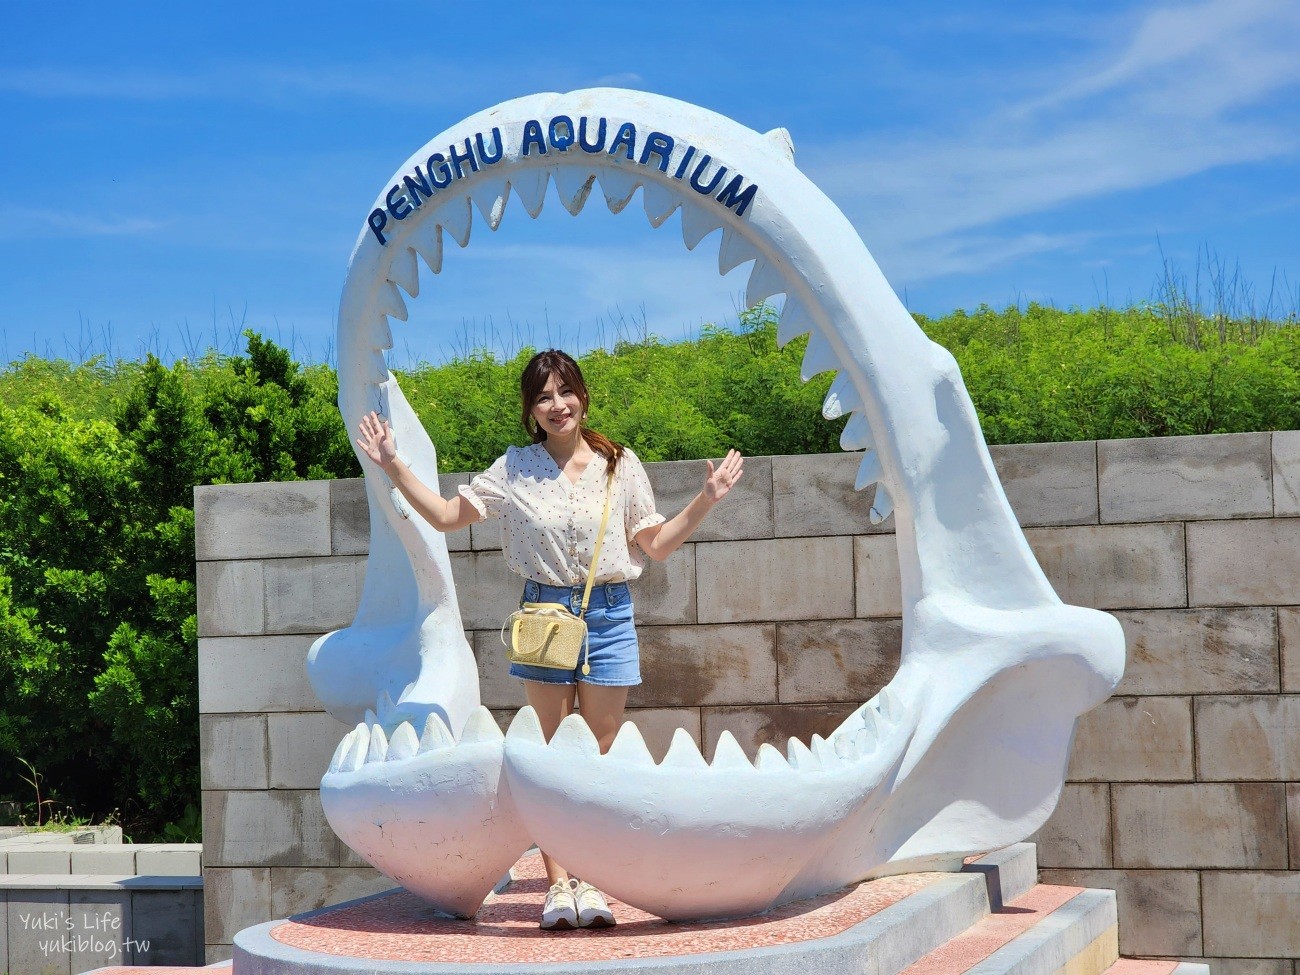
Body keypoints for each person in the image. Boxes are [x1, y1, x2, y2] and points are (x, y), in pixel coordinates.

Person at [355, 349, 743, 930]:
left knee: (603, 750)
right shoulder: (514, 469)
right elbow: (443, 515)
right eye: (543, 397)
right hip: (545, 615)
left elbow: (655, 544)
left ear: (582, 396)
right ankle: (560, 885)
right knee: (556, 748)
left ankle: (593, 876)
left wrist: (705, 499)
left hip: (610, 614)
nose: (557, 406)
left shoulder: (620, 464)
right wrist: (391, 464)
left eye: (565, 392)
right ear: (530, 411)